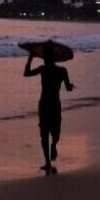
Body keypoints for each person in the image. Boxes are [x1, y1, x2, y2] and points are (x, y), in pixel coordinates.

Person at [24, 45, 74, 175]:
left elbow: (26, 73)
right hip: (48, 105)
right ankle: (47, 161)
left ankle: (53, 146)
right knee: (45, 134)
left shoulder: (58, 70)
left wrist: (30, 58)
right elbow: (26, 74)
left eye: (47, 57)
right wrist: (30, 57)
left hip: (49, 104)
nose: (45, 59)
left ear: (51, 58)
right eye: (45, 57)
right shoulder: (56, 70)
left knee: (53, 133)